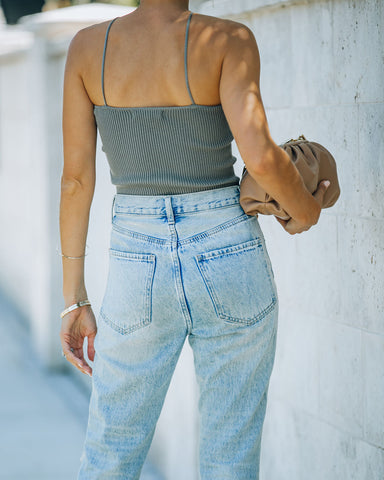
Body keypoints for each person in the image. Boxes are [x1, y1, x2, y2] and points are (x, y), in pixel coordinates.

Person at [59, 1, 330, 478]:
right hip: (226, 246)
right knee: (230, 455)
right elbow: (262, 158)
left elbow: (76, 181)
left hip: (136, 257)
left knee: (111, 451)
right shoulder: (228, 40)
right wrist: (305, 211)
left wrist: (73, 298)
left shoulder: (87, 48)